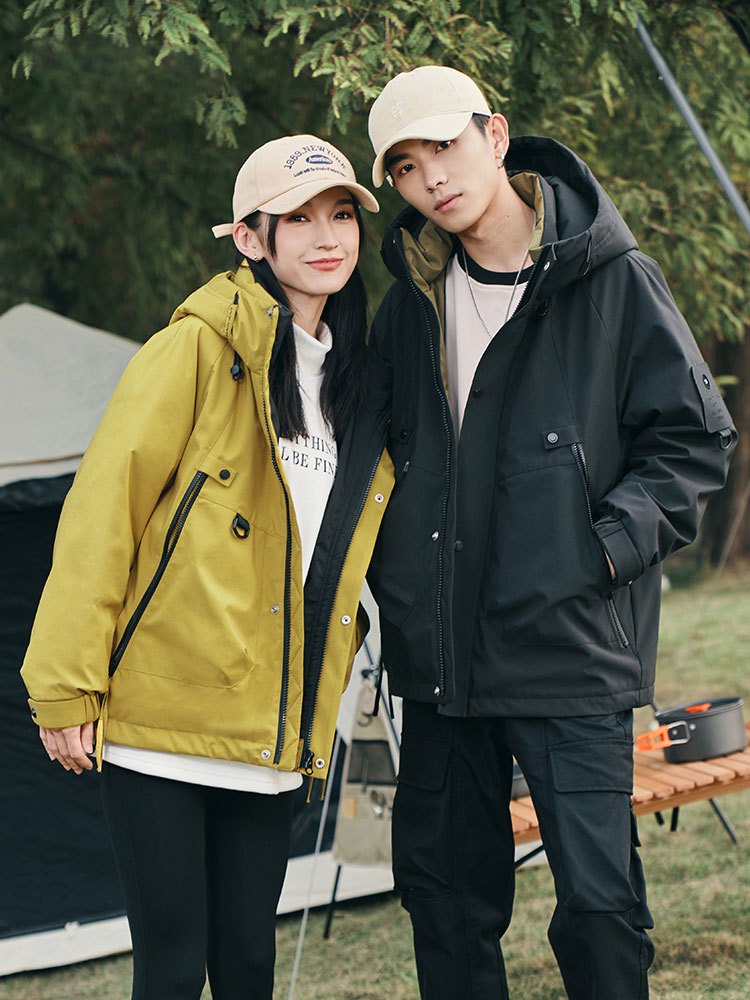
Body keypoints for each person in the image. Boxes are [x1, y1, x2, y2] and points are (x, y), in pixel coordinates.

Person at [364, 66, 736, 1000]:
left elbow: (693, 441)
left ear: (495, 136)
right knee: (446, 906)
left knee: (600, 911)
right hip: (442, 664)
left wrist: (599, 550)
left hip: (570, 650)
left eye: (444, 147)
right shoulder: (409, 304)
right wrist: (397, 586)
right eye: (404, 166)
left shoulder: (612, 280)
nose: (430, 178)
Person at [20, 134, 393, 1000]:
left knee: (249, 965)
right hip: (164, 722)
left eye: (341, 215)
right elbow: (102, 512)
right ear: (250, 238)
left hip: (273, 726)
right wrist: (65, 686)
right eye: (299, 218)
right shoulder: (191, 348)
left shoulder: (359, 382)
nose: (327, 236)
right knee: (173, 970)